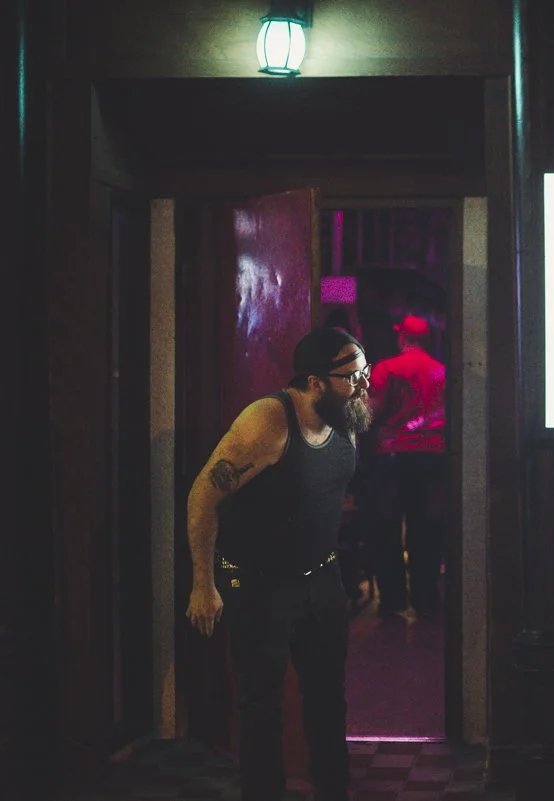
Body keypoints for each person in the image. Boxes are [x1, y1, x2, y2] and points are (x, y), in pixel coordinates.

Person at [185, 327, 373, 801]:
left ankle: (333, 792)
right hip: (259, 584)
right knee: (260, 706)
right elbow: (202, 497)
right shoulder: (268, 422)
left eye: (365, 370)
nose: (364, 384)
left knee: (328, 698)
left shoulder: (344, 415)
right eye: (352, 376)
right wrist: (203, 584)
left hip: (322, 577)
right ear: (314, 381)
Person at [360, 313, 446, 618]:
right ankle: (425, 597)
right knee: (427, 530)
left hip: (391, 459)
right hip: (433, 459)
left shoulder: (387, 369)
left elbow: (369, 413)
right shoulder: (442, 372)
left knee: (387, 529)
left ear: (402, 338)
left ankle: (393, 599)